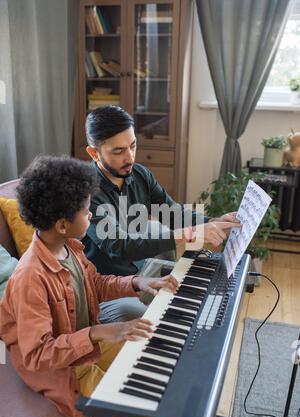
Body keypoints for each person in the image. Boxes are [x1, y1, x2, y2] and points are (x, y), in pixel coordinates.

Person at [0, 156, 178, 417]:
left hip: (83, 347)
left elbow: (95, 283)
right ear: (62, 224)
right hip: (62, 369)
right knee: (144, 414)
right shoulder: (30, 279)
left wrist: (137, 282)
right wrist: (97, 332)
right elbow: (36, 355)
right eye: (85, 211)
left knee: (153, 358)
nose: (91, 213)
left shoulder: (69, 247)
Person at [83, 105, 240, 322]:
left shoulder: (139, 174)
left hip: (140, 272)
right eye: (118, 151)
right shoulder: (85, 190)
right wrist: (189, 233)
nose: (129, 157)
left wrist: (213, 221)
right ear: (93, 153)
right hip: (105, 287)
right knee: (152, 321)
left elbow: (171, 212)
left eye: (133, 146)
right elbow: (120, 247)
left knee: (185, 305)